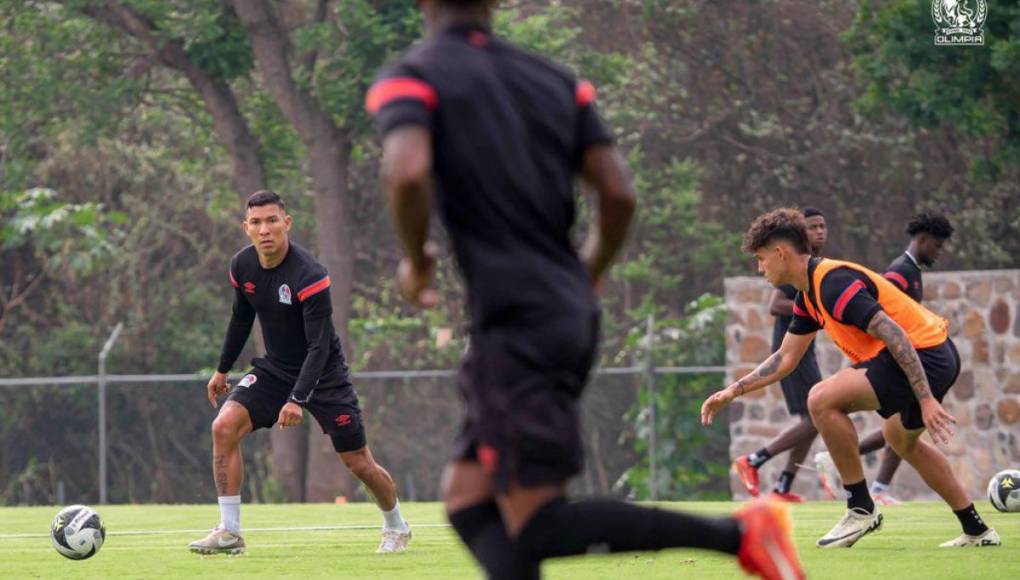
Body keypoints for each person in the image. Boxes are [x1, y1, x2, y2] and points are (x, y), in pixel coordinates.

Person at [367, 1, 804, 578]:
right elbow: (618, 194)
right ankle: (742, 532)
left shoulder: (412, 76)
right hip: (557, 310)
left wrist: (416, 264)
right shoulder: (555, 81)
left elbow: (405, 172)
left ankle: (743, 532)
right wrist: (588, 271)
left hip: (518, 321)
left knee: (533, 518)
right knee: (470, 502)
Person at [702, 208, 999, 549]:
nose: (760, 268)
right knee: (901, 441)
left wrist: (926, 398)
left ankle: (860, 508)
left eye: (761, 258)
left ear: (780, 253)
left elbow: (895, 334)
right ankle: (977, 529)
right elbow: (785, 358)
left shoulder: (832, 283)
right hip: (937, 354)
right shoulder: (809, 295)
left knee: (821, 398)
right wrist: (733, 391)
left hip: (924, 355)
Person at [188, 190, 411, 555]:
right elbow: (241, 318)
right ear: (246, 228)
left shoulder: (310, 274)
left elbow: (319, 346)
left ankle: (396, 526)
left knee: (358, 462)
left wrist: (296, 399)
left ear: (286, 223)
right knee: (223, 427)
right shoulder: (242, 266)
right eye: (256, 223)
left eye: (272, 220)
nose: (265, 230)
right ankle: (229, 532)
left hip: (324, 375)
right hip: (275, 368)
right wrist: (222, 369)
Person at [815, 211, 955, 505]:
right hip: (897, 361)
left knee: (901, 432)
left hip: (911, 359)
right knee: (900, 430)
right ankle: (872, 486)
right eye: (937, 246)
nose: (939, 252)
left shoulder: (913, 271)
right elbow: (883, 324)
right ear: (923, 238)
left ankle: (875, 484)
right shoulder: (898, 273)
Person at [733, 206, 827, 502]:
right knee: (816, 418)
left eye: (823, 226)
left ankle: (783, 486)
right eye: (813, 227)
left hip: (805, 353)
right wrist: (816, 309)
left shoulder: (814, 266)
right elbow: (775, 305)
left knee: (812, 420)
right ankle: (754, 460)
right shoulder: (790, 269)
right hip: (790, 352)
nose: (819, 232)